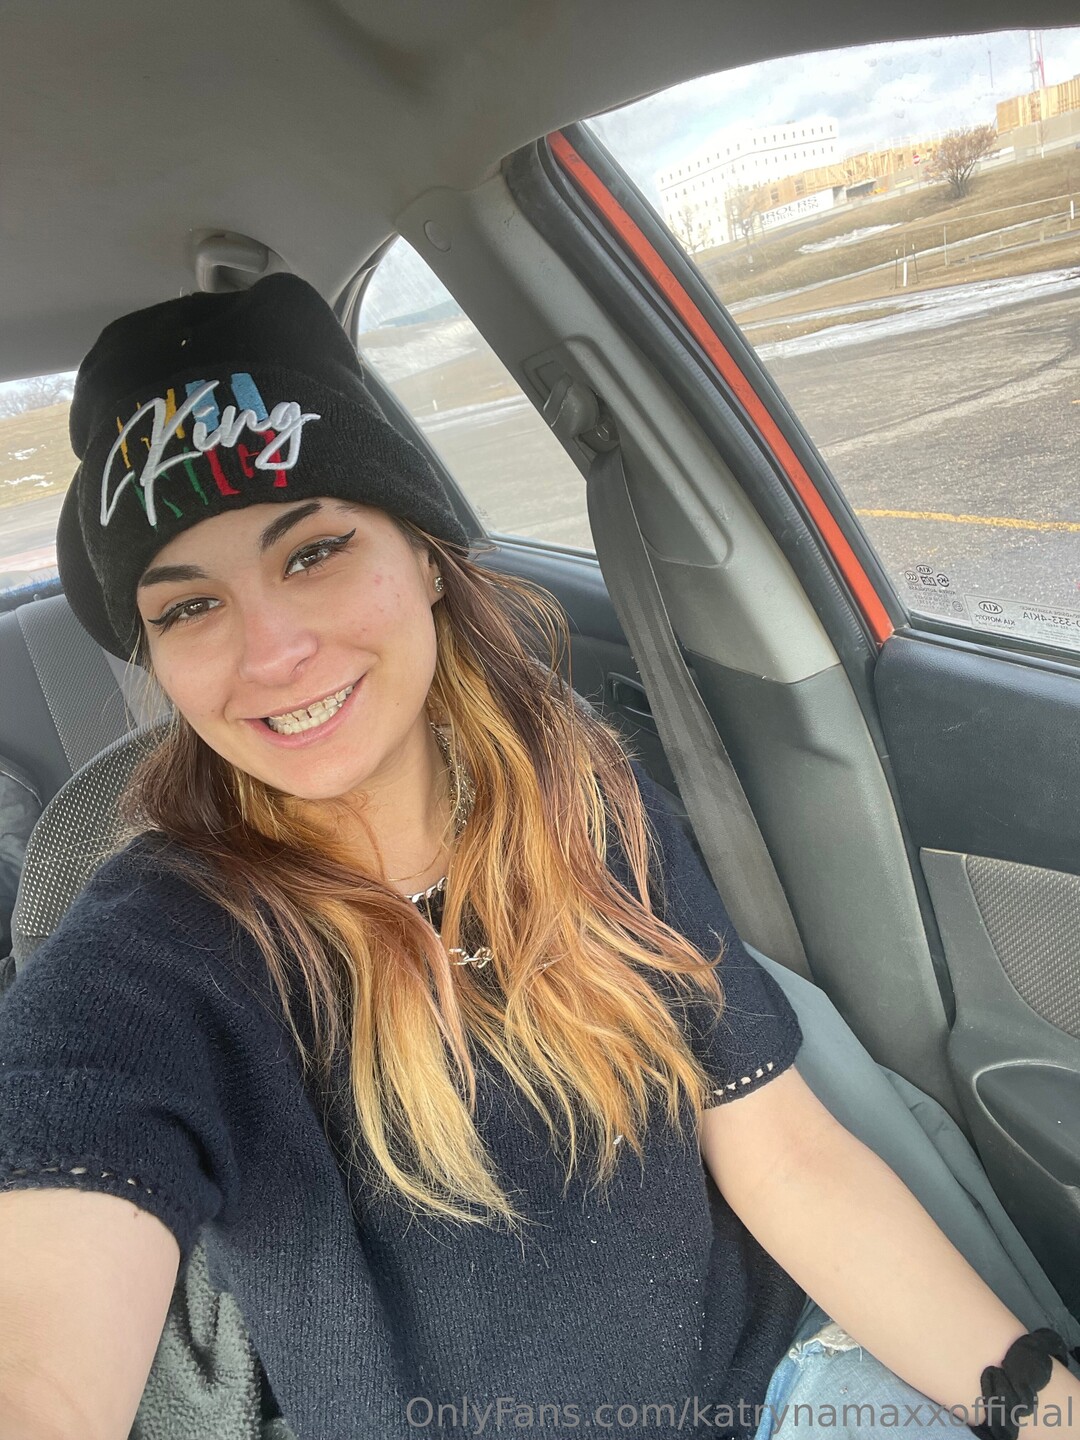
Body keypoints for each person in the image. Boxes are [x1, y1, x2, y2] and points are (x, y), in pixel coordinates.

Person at [0, 274, 1076, 1440]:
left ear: (424, 556)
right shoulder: (155, 959)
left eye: (313, 552)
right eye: (189, 608)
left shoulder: (584, 797)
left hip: (787, 1399)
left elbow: (782, 1157)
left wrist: (1041, 1410)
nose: (273, 652)